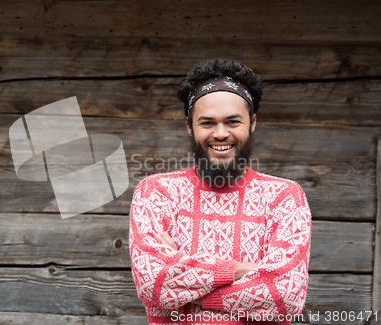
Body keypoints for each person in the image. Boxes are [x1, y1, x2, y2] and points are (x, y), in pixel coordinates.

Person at [128, 59, 311, 325]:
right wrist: (243, 270)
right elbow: (153, 284)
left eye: (233, 121)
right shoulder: (157, 193)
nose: (221, 133)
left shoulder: (283, 197)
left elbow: (286, 296)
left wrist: (188, 280)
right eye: (207, 123)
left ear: (253, 123)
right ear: (190, 127)